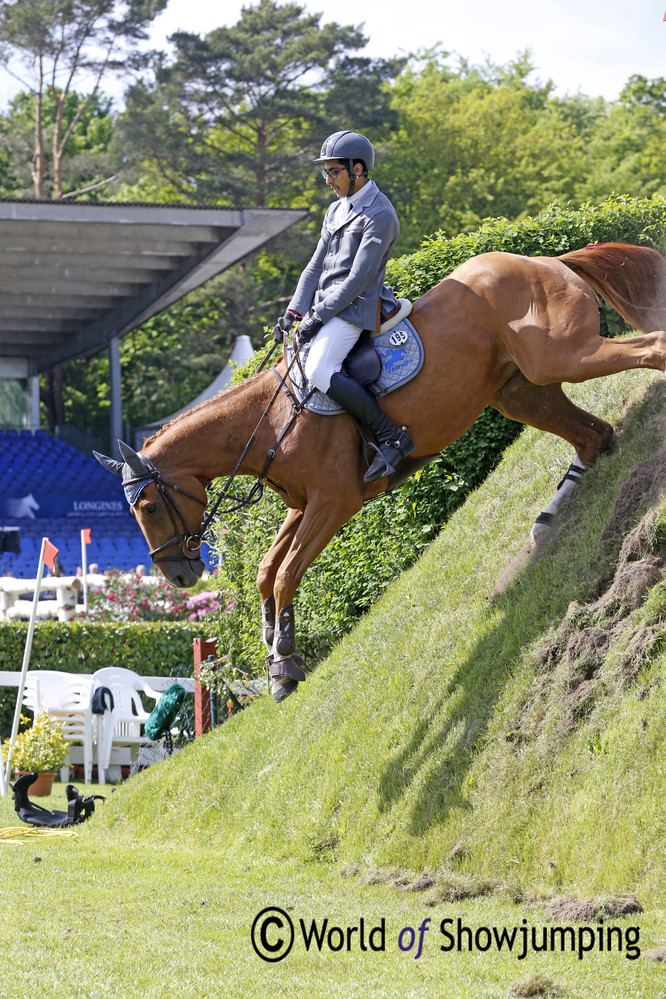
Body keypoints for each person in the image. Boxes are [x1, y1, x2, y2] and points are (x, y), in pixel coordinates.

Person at [273, 129, 415, 483]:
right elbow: (314, 266)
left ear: (358, 170)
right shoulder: (336, 210)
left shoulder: (380, 215)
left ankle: (390, 436)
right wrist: (293, 313)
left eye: (333, 172)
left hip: (355, 309)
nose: (327, 180)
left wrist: (317, 317)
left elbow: (357, 281)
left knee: (320, 369)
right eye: (325, 173)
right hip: (324, 306)